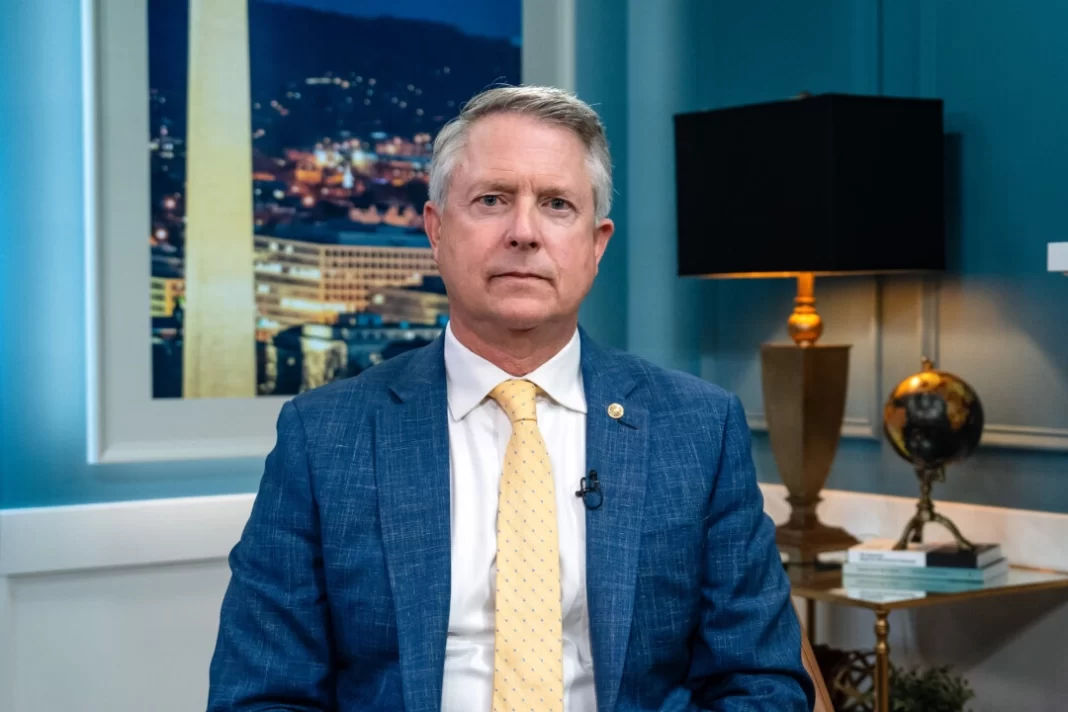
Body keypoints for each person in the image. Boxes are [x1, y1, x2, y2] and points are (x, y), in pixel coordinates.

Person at [207, 85, 815, 712]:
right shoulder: (323, 437)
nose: (523, 232)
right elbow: (261, 695)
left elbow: (760, 682)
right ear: (436, 230)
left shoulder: (698, 428)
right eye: (492, 200)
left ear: (597, 243)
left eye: (556, 204)